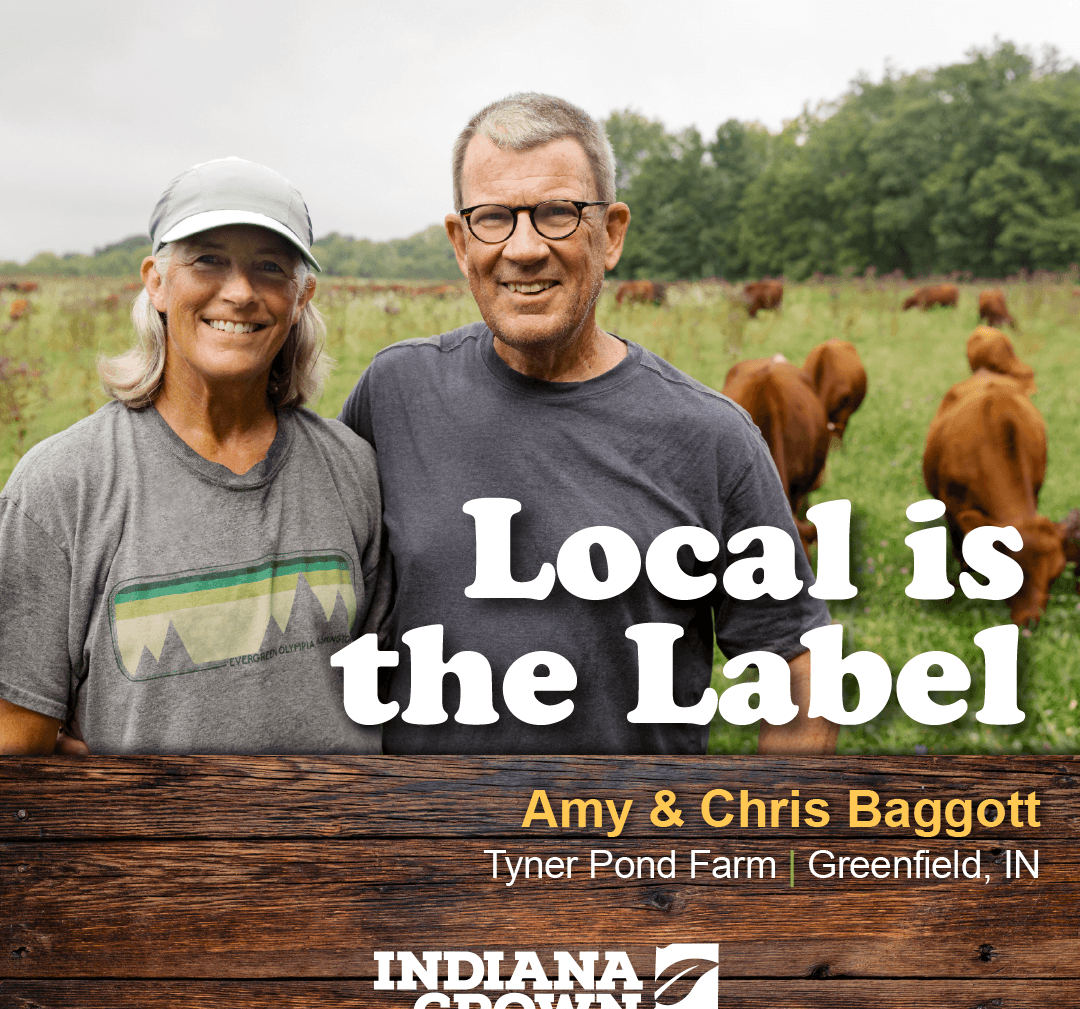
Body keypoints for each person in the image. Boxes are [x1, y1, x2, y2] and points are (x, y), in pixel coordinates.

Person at [338, 93, 836, 755]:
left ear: (612, 234)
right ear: (460, 243)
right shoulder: (395, 393)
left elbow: (799, 673)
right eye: (492, 218)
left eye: (558, 213)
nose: (523, 249)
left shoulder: (712, 439)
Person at [0, 158, 386, 754]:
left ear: (301, 295)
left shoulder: (351, 468)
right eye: (208, 260)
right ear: (156, 282)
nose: (240, 292)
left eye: (270, 267)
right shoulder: (62, 485)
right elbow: (16, 746)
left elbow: (392, 686)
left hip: (340, 819)